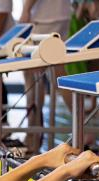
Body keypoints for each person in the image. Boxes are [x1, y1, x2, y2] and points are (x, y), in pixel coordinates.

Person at [19, 0, 71, 153]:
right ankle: (83, 126)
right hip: (57, 13)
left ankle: (33, 136)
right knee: (57, 73)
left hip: (44, 17)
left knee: (33, 74)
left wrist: (26, 9)